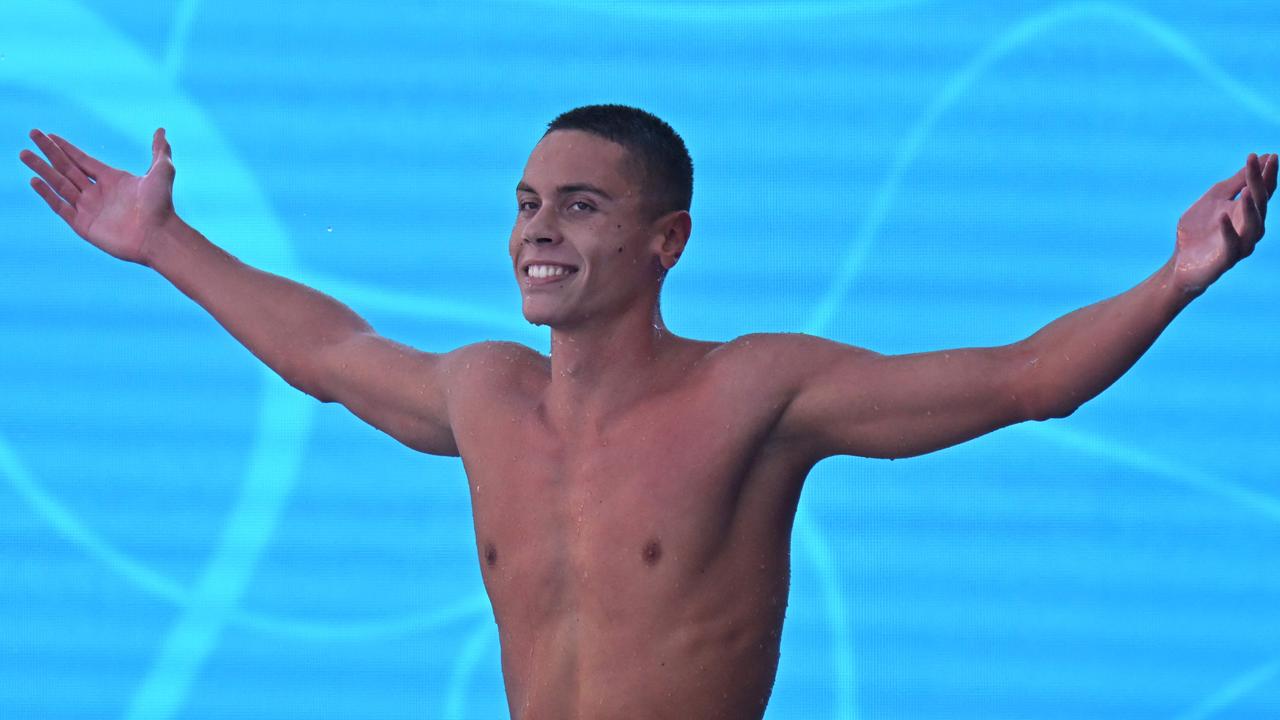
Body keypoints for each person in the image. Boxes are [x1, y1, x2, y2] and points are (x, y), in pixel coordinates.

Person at [19, 104, 1275, 719]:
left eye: (578, 205)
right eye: (524, 202)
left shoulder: (755, 392)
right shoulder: (483, 392)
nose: (537, 230)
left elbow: (1022, 381)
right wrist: (164, 240)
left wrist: (1172, 277)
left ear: (666, 239)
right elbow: (330, 352)